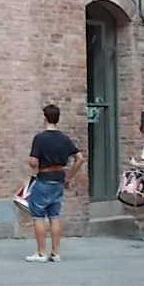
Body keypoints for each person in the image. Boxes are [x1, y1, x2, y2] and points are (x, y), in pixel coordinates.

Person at [25, 104, 84, 263]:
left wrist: (33, 164)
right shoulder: (65, 138)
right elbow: (80, 158)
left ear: (44, 118)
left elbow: (33, 162)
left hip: (44, 178)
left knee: (38, 215)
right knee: (54, 215)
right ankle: (56, 253)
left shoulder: (40, 138)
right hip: (59, 179)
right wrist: (69, 177)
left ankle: (41, 253)